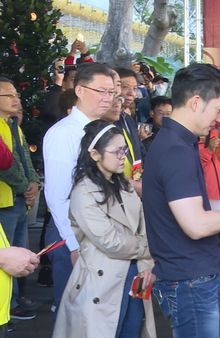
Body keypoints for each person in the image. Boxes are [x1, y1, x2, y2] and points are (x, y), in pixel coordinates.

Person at [143, 63, 220, 338]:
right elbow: (196, 224)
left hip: (192, 276)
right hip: (189, 279)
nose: (219, 118)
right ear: (196, 102)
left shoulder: (178, 143)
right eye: (218, 108)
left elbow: (199, 206)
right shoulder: (176, 151)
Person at [53, 120, 155, 338]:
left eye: (125, 150)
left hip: (135, 273)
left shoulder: (124, 184)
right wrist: (149, 249)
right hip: (101, 279)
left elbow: (142, 223)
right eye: (117, 151)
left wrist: (146, 264)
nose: (123, 157)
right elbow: (110, 242)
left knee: (133, 329)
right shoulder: (83, 192)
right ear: (95, 155)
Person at [43, 63, 115, 315]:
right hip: (73, 234)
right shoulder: (64, 133)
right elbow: (57, 194)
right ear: (80, 90)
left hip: (101, 232)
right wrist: (73, 245)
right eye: (102, 91)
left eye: (112, 92)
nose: (108, 98)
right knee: (74, 316)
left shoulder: (105, 129)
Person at [0, 77, 41, 320]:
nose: (16, 100)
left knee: (20, 252)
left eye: (16, 94)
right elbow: (6, 166)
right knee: (7, 255)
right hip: (5, 200)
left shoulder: (13, 124)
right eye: (9, 96)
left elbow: (24, 157)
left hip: (18, 199)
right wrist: (25, 185)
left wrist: (33, 182)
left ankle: (14, 300)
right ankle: (11, 304)